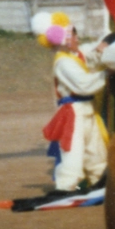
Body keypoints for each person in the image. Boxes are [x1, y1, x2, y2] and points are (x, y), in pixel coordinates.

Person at [31, 12, 108, 193]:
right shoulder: (63, 62)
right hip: (74, 112)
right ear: (64, 38)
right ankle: (66, 187)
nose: (77, 37)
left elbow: (91, 53)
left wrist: (105, 43)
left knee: (95, 150)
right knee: (73, 151)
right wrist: (106, 74)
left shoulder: (76, 55)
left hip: (87, 109)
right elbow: (83, 84)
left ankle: (100, 181)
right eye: (73, 34)